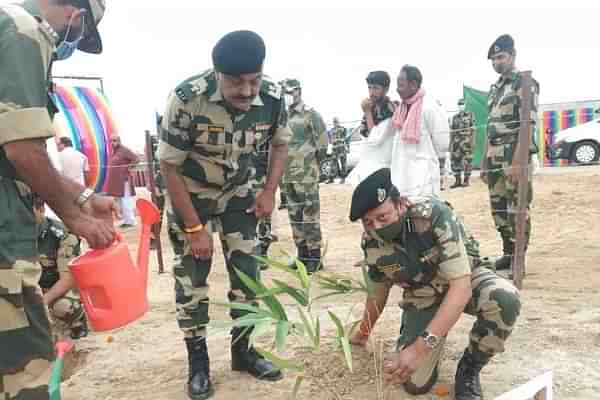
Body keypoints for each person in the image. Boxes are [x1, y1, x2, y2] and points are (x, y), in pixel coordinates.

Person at [159, 30, 289, 399]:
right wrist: (195, 227)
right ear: (217, 74)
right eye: (237, 82)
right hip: (192, 198)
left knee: (248, 279)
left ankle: (243, 352)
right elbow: (169, 168)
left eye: (254, 80)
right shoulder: (187, 100)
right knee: (192, 282)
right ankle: (198, 364)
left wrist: (268, 192)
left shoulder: (274, 98)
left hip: (239, 197)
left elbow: (280, 145)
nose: (248, 91)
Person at [0, 1, 115, 399]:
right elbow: (21, 149)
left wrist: (83, 196)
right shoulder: (23, 30)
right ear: (76, 14)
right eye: (82, 33)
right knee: (26, 372)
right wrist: (75, 217)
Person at [349, 168, 521, 400]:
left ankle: (469, 369)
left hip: (463, 280)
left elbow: (461, 288)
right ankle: (434, 330)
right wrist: (362, 333)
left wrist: (421, 348)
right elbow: (377, 293)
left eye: (383, 217)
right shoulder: (372, 243)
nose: (377, 228)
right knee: (413, 382)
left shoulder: (432, 215)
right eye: (368, 222)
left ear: (400, 204)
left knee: (504, 298)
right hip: (423, 296)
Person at [481, 34, 539, 271]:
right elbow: (489, 126)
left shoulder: (524, 83)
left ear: (512, 55)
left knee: (518, 206)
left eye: (501, 57)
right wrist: (484, 160)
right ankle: (508, 251)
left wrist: (518, 161)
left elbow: (528, 124)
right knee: (499, 208)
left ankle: (519, 258)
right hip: (495, 154)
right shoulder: (495, 88)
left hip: (514, 153)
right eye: (494, 59)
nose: (497, 62)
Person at [281, 78, 328, 273]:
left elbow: (323, 143)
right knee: (295, 215)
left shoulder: (310, 114)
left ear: (299, 91)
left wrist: (313, 164)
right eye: (285, 93)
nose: (288, 97)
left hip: (307, 174)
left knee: (310, 215)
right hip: (287, 175)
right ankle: (302, 254)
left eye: (290, 92)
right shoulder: (281, 116)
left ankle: (315, 257)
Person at [390, 65, 449, 198]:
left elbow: (442, 143)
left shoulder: (429, 107)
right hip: (402, 174)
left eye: (401, 85)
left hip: (424, 176)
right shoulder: (401, 108)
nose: (397, 90)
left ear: (413, 84)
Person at [34, 198, 88, 340]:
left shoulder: (62, 234)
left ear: (41, 210)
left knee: (63, 307)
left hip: (58, 288)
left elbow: (68, 280)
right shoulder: (12, 234)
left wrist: (42, 302)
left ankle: (77, 321)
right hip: (31, 288)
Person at [106, 135, 138, 228]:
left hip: (124, 180)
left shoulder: (124, 150)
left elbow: (136, 159)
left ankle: (131, 221)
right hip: (117, 181)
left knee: (126, 200)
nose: (113, 143)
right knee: (120, 200)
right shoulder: (115, 151)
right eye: (111, 141)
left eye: (115, 141)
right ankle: (126, 220)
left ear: (119, 141)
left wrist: (128, 168)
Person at [359, 70, 397, 138]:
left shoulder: (392, 108)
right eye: (369, 87)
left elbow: (374, 139)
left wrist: (367, 112)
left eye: (376, 88)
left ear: (386, 89)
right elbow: (363, 134)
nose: (371, 92)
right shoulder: (370, 107)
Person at [450, 99, 476, 188]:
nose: (461, 106)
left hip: (467, 143)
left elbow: (473, 130)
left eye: (462, 104)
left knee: (467, 162)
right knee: (454, 162)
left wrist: (473, 142)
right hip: (456, 144)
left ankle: (466, 180)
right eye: (459, 104)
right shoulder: (454, 117)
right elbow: (452, 132)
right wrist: (451, 144)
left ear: (465, 105)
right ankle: (457, 180)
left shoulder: (470, 115)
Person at [329, 117, 348, 183]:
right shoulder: (331, 130)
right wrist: (330, 149)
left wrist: (348, 148)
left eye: (336, 121)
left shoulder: (343, 129)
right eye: (334, 122)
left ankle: (343, 178)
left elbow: (346, 139)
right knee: (332, 164)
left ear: (338, 122)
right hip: (334, 149)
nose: (335, 123)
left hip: (342, 148)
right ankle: (331, 178)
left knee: (343, 163)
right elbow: (330, 141)